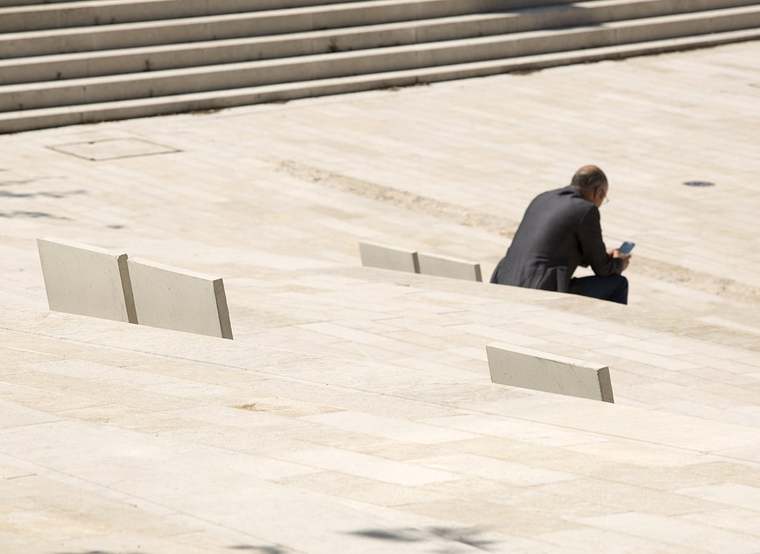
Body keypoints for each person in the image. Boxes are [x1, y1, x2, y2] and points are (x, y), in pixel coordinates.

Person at [490, 165, 631, 304]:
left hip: (503, 280)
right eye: (603, 198)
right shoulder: (586, 210)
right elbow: (602, 269)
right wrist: (619, 263)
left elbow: (552, 246)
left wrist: (603, 255)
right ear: (598, 192)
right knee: (618, 284)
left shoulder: (542, 198)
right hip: (539, 289)